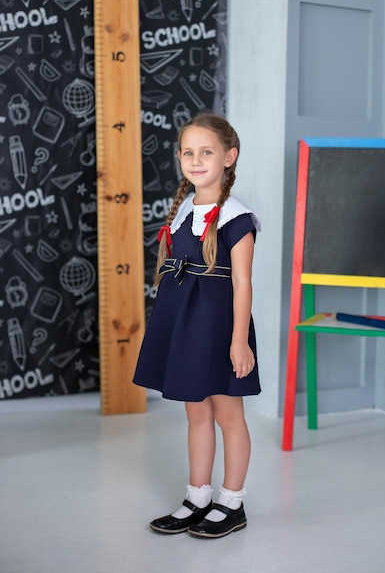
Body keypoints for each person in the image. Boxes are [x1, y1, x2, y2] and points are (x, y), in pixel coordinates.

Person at [133, 111, 261, 539]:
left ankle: (232, 503)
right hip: (186, 326)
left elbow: (242, 282)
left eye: (206, 151)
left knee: (228, 414)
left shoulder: (236, 218)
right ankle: (198, 497)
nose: (196, 159)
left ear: (229, 156)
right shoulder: (185, 208)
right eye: (188, 152)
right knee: (196, 413)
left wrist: (239, 342)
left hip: (219, 329)